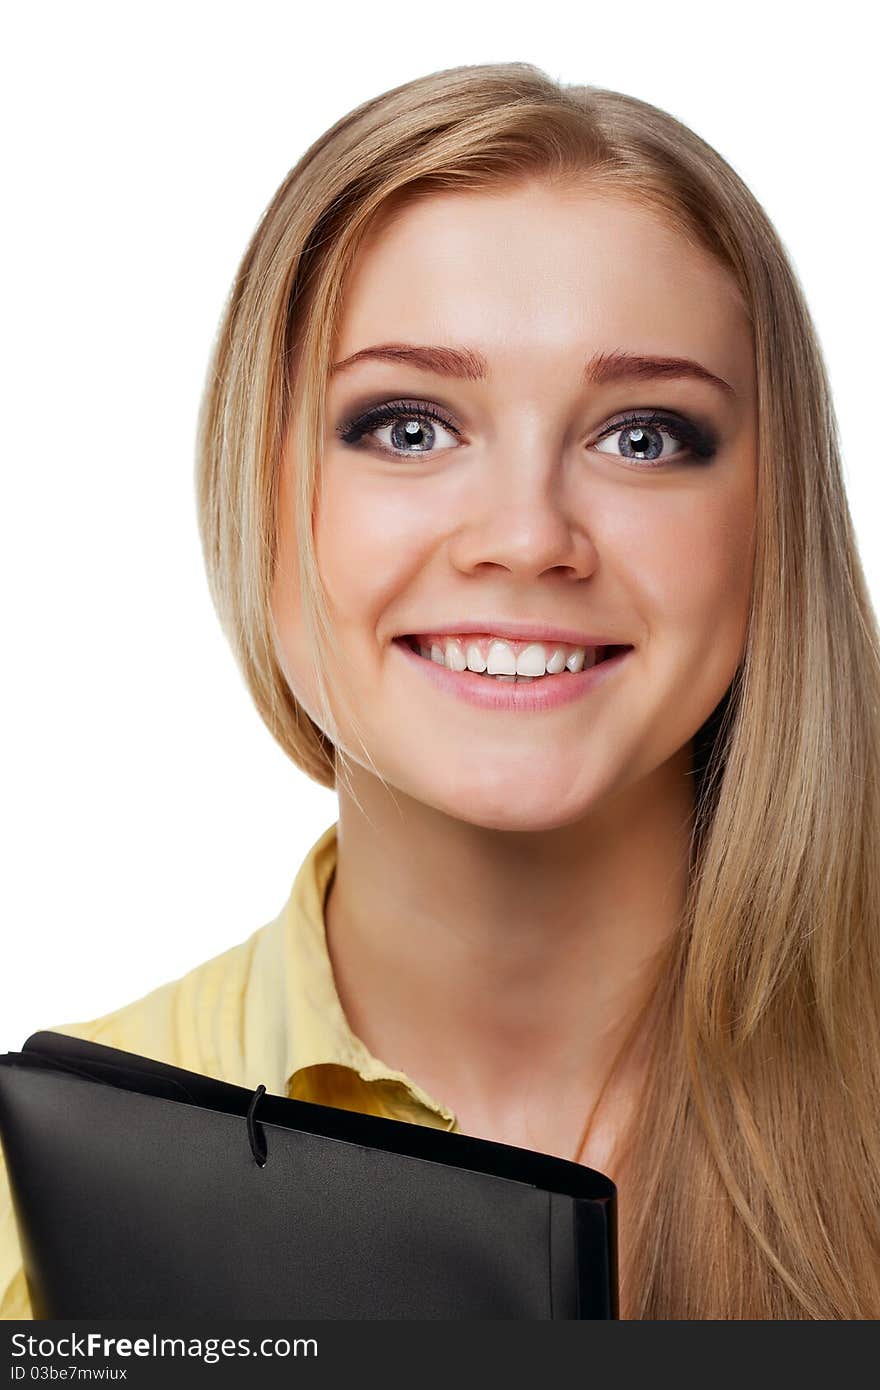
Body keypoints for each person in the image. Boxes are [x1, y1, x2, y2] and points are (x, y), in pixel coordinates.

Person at [3, 60, 879, 1321]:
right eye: (409, 426)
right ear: (262, 489)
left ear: (771, 519)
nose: (525, 538)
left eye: (641, 434)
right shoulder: (24, 1199)